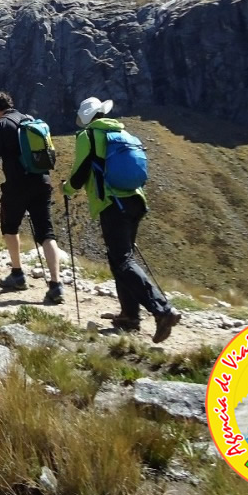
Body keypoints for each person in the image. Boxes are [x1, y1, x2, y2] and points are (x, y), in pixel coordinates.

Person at [63, 96, 179, 343]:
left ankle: (162, 310)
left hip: (113, 204)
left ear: (87, 119)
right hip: (136, 201)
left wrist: (67, 188)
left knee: (122, 260)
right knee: (122, 259)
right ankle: (129, 316)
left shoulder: (88, 136)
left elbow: (80, 172)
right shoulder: (123, 133)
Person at [0, 91, 64, 305]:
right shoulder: (29, 119)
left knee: (10, 227)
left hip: (17, 185)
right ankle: (56, 285)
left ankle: (18, 274)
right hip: (42, 182)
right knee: (46, 232)